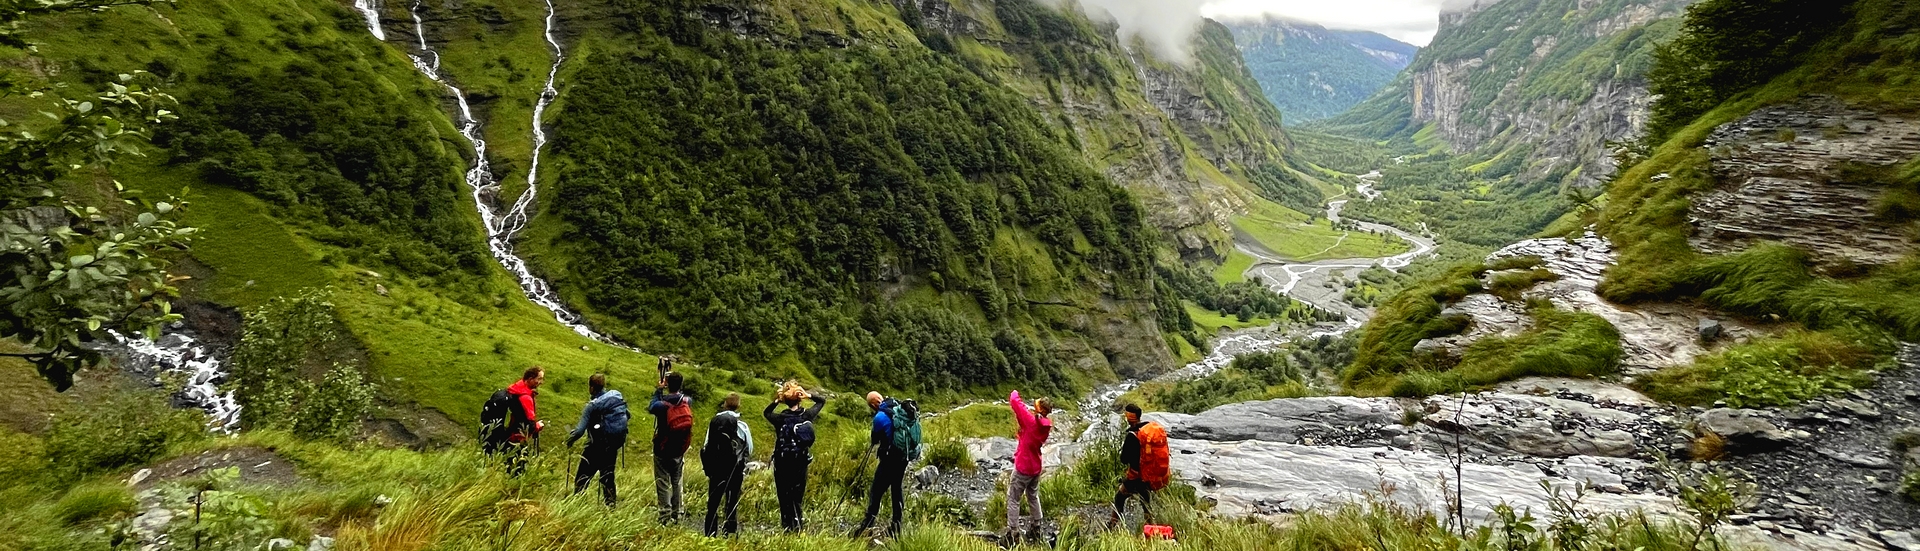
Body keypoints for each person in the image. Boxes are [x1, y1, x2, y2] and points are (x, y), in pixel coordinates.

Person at [856, 391, 920, 538]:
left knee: (876, 491)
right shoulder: (897, 405)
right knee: (896, 488)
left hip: (889, 459)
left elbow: (875, 438)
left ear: (873, 404)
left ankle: (867, 527)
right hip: (904, 457)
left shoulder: (879, 417)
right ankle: (896, 526)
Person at [764, 381, 825, 532]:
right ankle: (798, 527)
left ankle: (786, 527)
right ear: (799, 399)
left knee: (784, 496)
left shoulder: (779, 419)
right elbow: (822, 401)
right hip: (800, 462)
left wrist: (776, 401)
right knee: (797, 496)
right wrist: (808, 395)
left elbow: (766, 413)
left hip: (783, 462)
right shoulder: (807, 415)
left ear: (785, 400)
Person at [567, 373, 630, 506]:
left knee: (582, 477)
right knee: (608, 477)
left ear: (591, 387)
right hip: (612, 446)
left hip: (595, 447)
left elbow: (579, 431)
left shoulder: (592, 406)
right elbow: (627, 414)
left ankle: (576, 505)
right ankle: (611, 506)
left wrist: (570, 440)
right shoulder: (616, 395)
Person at [700, 393, 753, 537]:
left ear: (724, 404)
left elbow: (706, 445)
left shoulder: (715, 422)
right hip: (734, 468)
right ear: (738, 406)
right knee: (732, 500)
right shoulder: (742, 425)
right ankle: (729, 531)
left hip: (716, 469)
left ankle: (710, 533)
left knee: (713, 502)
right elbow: (749, 447)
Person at [1006, 391, 1053, 542]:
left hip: (1023, 466)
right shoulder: (1044, 426)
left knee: (1013, 498)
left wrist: (1015, 391)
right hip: (1035, 467)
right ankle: (1036, 526)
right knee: (1033, 496)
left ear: (1038, 408)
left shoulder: (1029, 421)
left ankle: (1013, 532)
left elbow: (1014, 400)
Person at [649, 370, 694, 524]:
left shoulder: (661, 405)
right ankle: (678, 513)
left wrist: (659, 389)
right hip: (679, 449)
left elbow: (651, 407)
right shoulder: (687, 401)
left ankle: (664, 515)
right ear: (681, 385)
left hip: (662, 448)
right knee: (677, 480)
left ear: (668, 384)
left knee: (662, 481)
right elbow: (683, 399)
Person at [1109, 403, 1154, 529]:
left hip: (1135, 476)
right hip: (1148, 475)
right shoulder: (1146, 430)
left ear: (1129, 417)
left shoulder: (1132, 435)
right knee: (1145, 503)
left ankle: (1112, 526)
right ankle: (1150, 529)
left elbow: (1124, 459)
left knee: (1119, 497)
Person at [502, 366, 547, 476]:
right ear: (531, 378)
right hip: (519, 438)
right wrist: (538, 426)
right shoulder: (525, 397)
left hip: (509, 434)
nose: (541, 382)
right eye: (539, 379)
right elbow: (529, 424)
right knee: (518, 471)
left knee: (509, 468)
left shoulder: (515, 389)